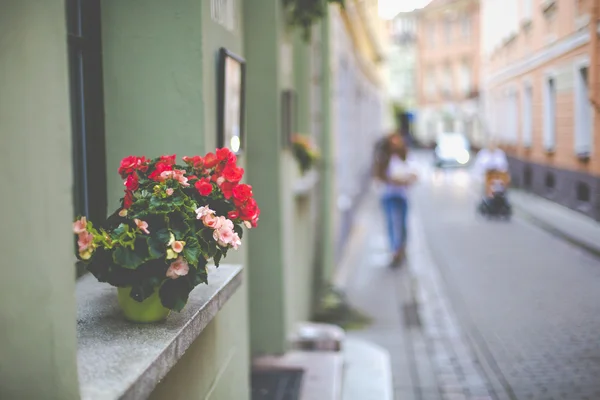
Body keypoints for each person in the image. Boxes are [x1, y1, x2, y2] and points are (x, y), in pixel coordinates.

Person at [374, 133, 418, 266]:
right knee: (392, 222)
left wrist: (406, 179)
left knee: (403, 223)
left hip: (403, 195)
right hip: (389, 195)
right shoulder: (384, 158)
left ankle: (402, 247)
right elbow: (379, 175)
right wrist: (393, 180)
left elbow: (415, 173)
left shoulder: (405, 157)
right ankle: (395, 250)